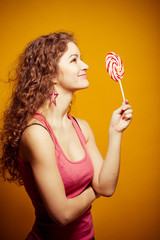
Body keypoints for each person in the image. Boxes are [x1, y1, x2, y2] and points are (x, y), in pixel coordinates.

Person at [0, 32, 132, 240]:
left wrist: (115, 133)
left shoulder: (81, 127)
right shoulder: (37, 134)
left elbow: (106, 186)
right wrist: (92, 192)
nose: (85, 65)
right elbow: (62, 214)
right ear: (49, 73)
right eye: (74, 60)